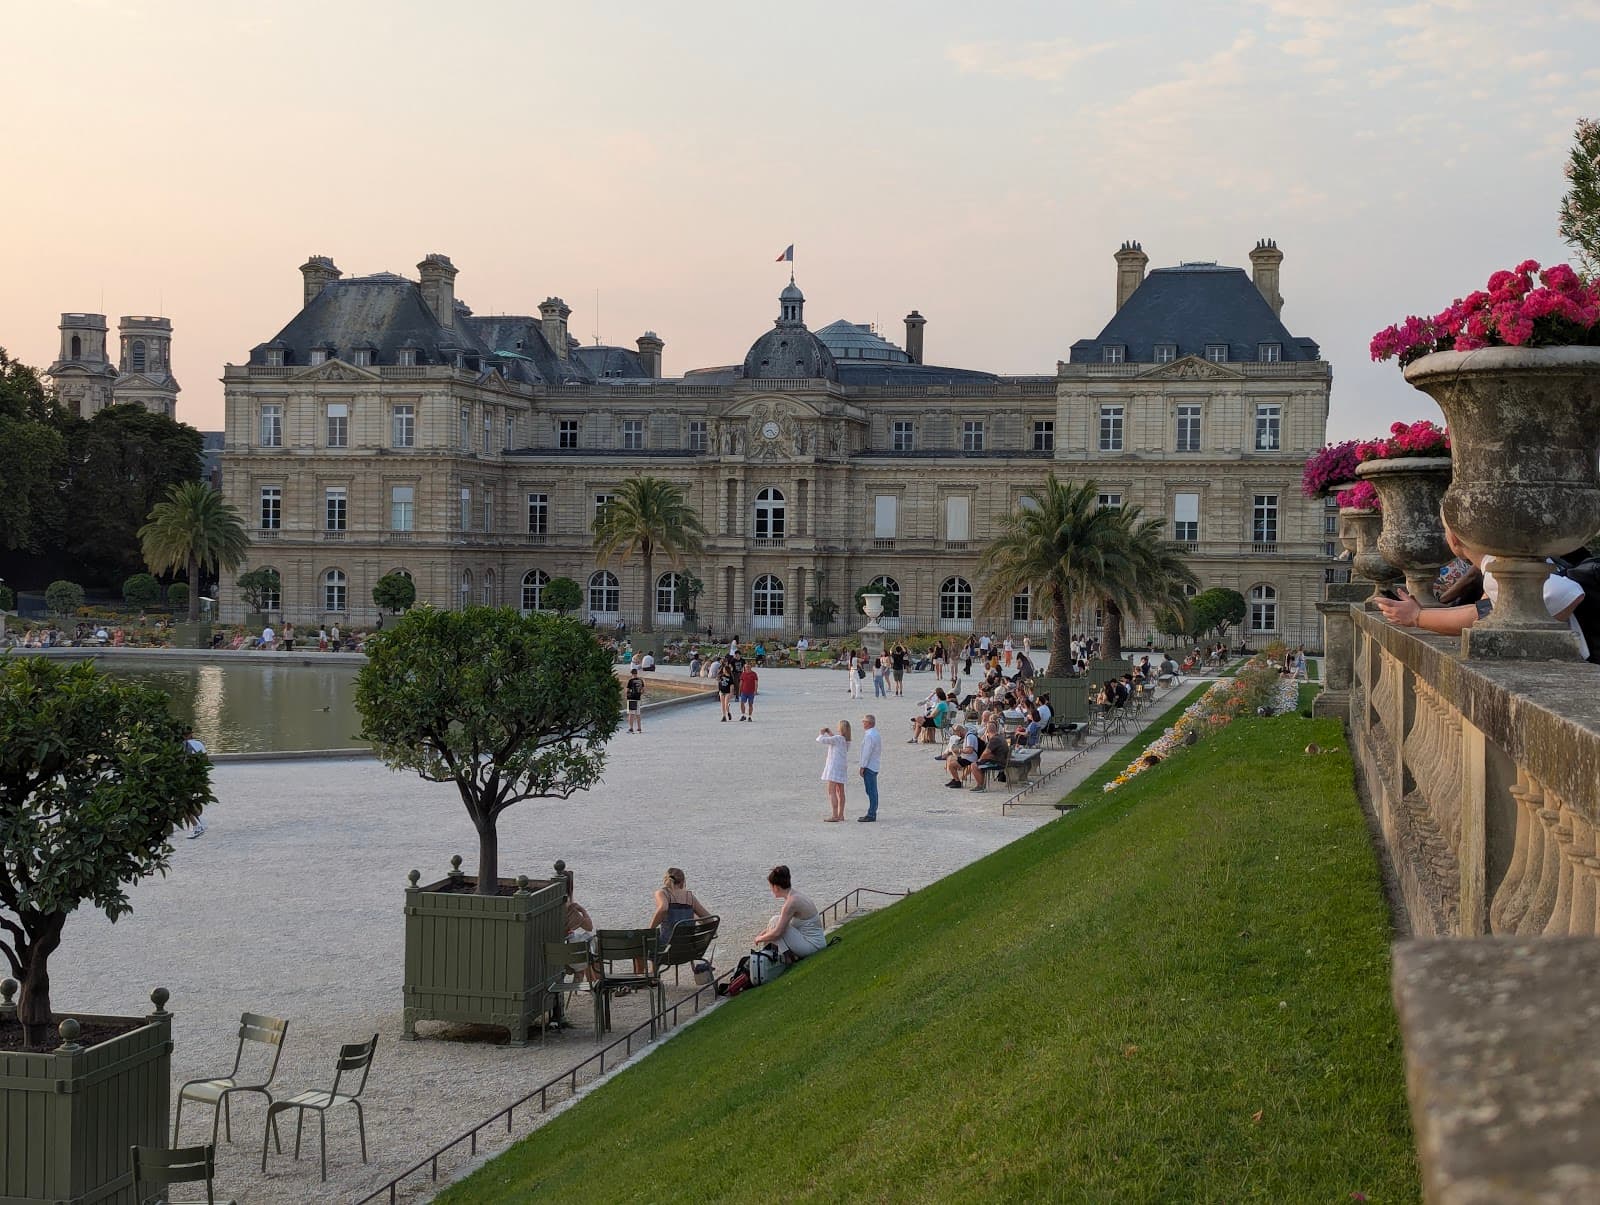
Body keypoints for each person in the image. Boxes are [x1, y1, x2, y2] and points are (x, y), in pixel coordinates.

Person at [636, 867, 712, 972]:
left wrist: (650, 929)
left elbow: (663, 908)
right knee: (659, 940)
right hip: (687, 949)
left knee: (638, 945)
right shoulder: (690, 897)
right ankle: (652, 975)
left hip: (667, 949)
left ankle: (646, 978)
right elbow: (709, 919)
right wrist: (692, 917)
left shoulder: (662, 893)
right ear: (683, 882)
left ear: (666, 879)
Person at [752, 865, 826, 961]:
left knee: (775, 921)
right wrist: (763, 934)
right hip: (817, 943)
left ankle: (780, 958)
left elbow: (778, 932)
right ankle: (768, 957)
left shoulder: (791, 903)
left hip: (813, 946)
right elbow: (782, 925)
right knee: (775, 921)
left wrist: (759, 939)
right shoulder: (796, 896)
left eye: (770, 886)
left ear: (776, 887)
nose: (771, 889)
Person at [816, 720, 851, 821]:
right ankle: (841, 815)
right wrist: (829, 733)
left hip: (834, 767)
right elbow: (834, 740)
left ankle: (835, 815)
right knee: (841, 791)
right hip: (842, 767)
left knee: (831, 791)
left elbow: (822, 740)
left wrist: (821, 733)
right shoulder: (846, 740)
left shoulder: (837, 739)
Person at [182, 727, 208, 838]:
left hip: (186, 777)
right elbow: (206, 759)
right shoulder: (199, 743)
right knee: (189, 801)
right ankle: (200, 823)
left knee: (182, 803)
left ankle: (197, 827)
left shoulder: (182, 746)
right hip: (198, 777)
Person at [858, 713, 882, 822]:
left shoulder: (869, 736)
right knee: (872, 790)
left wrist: (862, 766)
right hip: (874, 764)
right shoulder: (875, 733)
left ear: (868, 723)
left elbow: (866, 753)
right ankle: (872, 812)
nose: (862, 723)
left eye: (864, 721)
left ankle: (871, 813)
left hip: (870, 766)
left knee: (871, 791)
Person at [625, 668, 644, 733]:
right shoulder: (641, 680)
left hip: (631, 698)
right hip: (638, 698)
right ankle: (639, 728)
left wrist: (627, 694)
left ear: (631, 673)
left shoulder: (631, 680)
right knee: (638, 714)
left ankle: (631, 728)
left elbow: (627, 690)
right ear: (636, 673)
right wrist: (638, 694)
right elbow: (643, 690)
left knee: (631, 714)